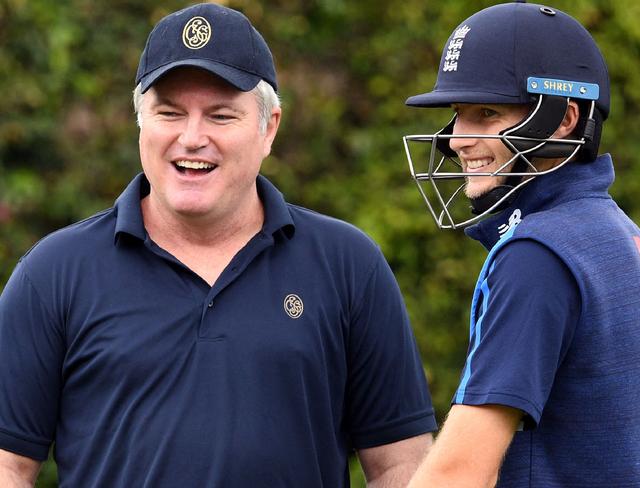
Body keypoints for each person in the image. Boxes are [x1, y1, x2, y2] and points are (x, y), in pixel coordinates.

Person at [0, 3, 436, 487]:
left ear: (268, 127)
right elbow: (7, 465)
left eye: (221, 116)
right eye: (169, 113)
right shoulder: (54, 272)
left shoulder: (349, 265)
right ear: (141, 123)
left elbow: (403, 464)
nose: (191, 138)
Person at [402, 1, 640, 487]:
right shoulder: (623, 234)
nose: (457, 140)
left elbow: (459, 473)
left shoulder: (536, 253)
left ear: (563, 120)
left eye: (487, 113)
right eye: (458, 114)